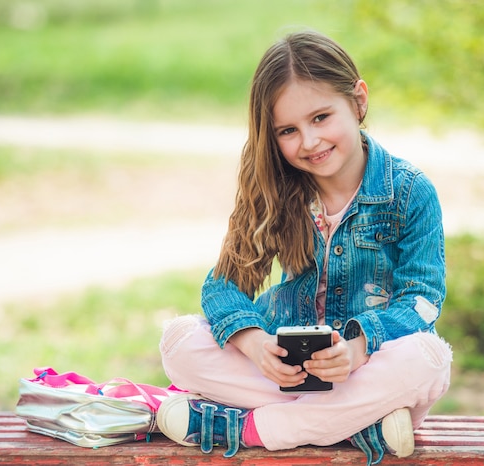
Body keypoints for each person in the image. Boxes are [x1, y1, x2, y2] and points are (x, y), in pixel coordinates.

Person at [157, 30, 452, 465]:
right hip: (284, 372)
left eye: (321, 118)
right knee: (178, 340)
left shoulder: (409, 192)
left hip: (365, 370)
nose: (310, 142)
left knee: (430, 358)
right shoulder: (275, 189)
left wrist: (358, 347)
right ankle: (358, 425)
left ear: (358, 101)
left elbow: (423, 303)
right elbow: (222, 287)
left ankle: (247, 428)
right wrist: (257, 345)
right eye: (288, 130)